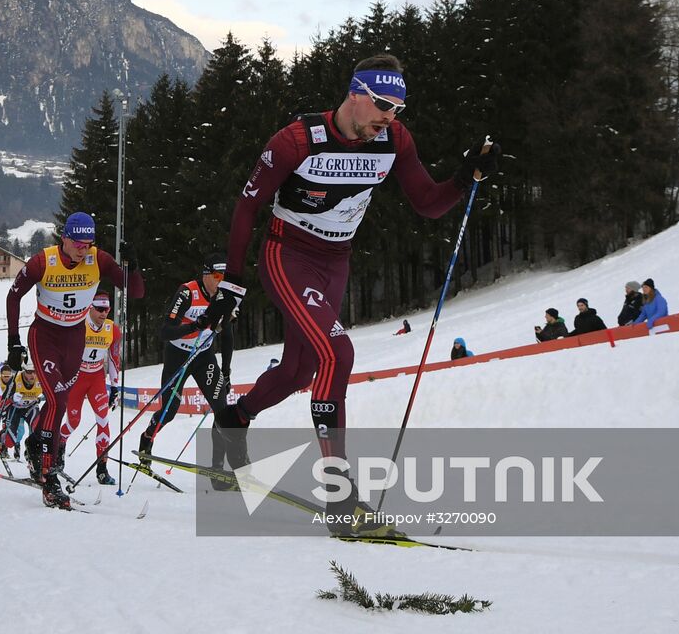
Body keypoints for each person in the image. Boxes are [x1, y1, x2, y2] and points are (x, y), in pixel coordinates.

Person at [210, 53, 498, 534]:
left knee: (300, 369)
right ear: (355, 93)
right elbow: (247, 205)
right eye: (383, 104)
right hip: (288, 256)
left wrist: (463, 178)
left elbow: (427, 203)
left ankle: (234, 419)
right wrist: (234, 280)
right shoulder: (297, 140)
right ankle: (339, 497)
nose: (389, 117)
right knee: (337, 353)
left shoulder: (394, 139)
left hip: (336, 262)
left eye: (398, 108)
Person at [5, 211, 144, 508]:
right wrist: (13, 341)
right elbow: (13, 296)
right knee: (57, 402)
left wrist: (132, 266)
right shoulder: (43, 262)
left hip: (74, 339)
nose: (83, 249)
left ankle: (34, 445)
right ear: (64, 238)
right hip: (45, 337)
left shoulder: (99, 259)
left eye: (88, 243)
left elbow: (136, 292)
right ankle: (48, 473)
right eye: (78, 243)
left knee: (61, 403)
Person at [137, 254, 233, 479]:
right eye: (217, 276)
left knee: (223, 411)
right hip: (177, 356)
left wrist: (226, 372)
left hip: (203, 357)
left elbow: (227, 334)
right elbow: (165, 331)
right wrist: (194, 326)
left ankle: (217, 469)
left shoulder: (226, 296)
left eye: (225, 277)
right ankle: (146, 440)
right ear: (206, 275)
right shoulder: (187, 293)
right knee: (169, 411)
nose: (221, 281)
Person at [60, 293, 123, 485]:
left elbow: (113, 358)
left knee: (103, 420)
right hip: (77, 376)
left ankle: (102, 469)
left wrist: (114, 386)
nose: (104, 313)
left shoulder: (112, 329)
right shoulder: (79, 324)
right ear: (90, 308)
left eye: (107, 310)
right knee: (73, 422)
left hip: (96, 377)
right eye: (100, 309)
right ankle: (58, 451)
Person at [0, 365, 43, 463]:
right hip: (16, 408)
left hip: (30, 407)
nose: (32, 375)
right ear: (23, 371)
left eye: (34, 371)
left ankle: (31, 451)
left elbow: (51, 393)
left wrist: (41, 399)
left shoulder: (41, 378)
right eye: (29, 372)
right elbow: (2, 403)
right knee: (10, 442)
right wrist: (12, 398)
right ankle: (3, 442)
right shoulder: (14, 380)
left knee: (38, 430)